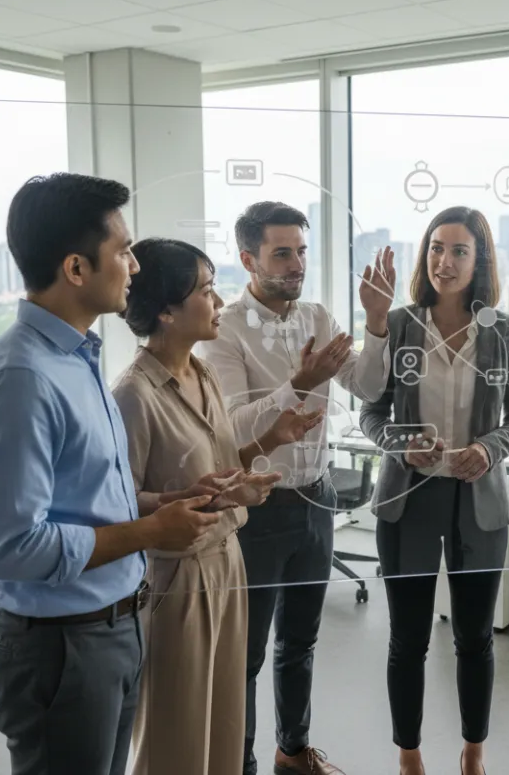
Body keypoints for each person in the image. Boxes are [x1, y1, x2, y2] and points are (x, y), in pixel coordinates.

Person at [0, 174, 224, 775]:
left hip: (111, 628)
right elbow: (15, 550)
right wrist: (153, 535)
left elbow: (91, 498)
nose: (134, 264)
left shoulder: (76, 357)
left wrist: (161, 504)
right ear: (77, 268)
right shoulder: (19, 380)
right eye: (123, 250)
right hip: (60, 647)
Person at [113, 238, 326, 775]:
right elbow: (119, 505)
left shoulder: (201, 373)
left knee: (223, 724)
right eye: (206, 291)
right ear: (166, 310)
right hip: (177, 579)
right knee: (176, 734)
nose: (217, 300)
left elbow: (223, 466)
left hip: (228, 561)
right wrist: (174, 505)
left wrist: (267, 444)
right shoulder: (134, 396)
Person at [199, 201, 395, 775]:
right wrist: (299, 384)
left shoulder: (317, 315)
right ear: (247, 259)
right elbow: (235, 426)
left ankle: (292, 752)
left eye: (301, 251)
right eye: (281, 253)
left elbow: (368, 384)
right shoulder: (224, 329)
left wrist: (377, 324)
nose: (295, 264)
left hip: (317, 497)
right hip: (257, 508)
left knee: (300, 643)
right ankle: (240, 764)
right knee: (247, 654)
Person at [360, 206, 509, 775]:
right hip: (408, 499)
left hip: (477, 500)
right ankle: (408, 755)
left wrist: (487, 450)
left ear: (480, 260)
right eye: (436, 248)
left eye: (459, 250)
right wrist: (400, 443)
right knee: (407, 639)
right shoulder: (400, 323)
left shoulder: (504, 330)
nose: (445, 261)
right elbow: (372, 411)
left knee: (475, 638)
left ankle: (473, 751)